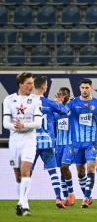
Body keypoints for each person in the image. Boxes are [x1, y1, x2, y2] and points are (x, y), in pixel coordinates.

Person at [2, 72, 42, 216]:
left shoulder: (36, 100)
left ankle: (24, 204)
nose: (32, 86)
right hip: (14, 140)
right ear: (21, 85)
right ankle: (21, 202)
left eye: (32, 83)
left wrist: (23, 125)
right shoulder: (9, 99)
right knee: (18, 174)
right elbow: (5, 122)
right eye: (29, 83)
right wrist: (15, 127)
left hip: (29, 140)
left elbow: (38, 123)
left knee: (26, 171)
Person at [61, 78, 97, 208]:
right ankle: (72, 193)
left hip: (91, 142)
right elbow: (62, 112)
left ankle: (86, 198)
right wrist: (60, 105)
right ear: (80, 89)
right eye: (82, 88)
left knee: (90, 168)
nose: (84, 90)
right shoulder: (73, 103)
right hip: (75, 142)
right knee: (69, 168)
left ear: (91, 88)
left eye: (87, 87)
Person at [30, 76, 68, 208]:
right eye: (46, 85)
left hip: (32, 142)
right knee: (52, 171)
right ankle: (58, 198)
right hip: (47, 142)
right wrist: (58, 102)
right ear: (43, 87)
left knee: (27, 172)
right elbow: (64, 112)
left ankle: (23, 200)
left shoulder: (28, 102)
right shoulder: (49, 103)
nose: (46, 87)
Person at [54, 87, 75, 206]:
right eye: (59, 94)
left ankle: (71, 194)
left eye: (64, 95)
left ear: (68, 95)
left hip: (70, 142)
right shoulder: (55, 108)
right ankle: (65, 197)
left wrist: (59, 104)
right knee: (61, 170)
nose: (61, 97)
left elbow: (66, 112)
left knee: (65, 166)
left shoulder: (71, 106)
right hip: (59, 143)